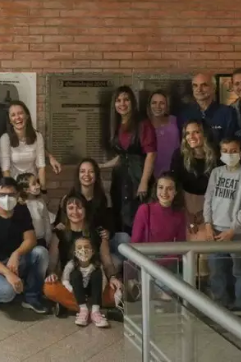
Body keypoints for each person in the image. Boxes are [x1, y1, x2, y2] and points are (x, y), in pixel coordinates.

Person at [0, 177, 49, 314]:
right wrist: (8, 273)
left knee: (41, 253)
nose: (7, 198)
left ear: (17, 195)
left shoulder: (21, 210)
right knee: (7, 293)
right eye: (3, 195)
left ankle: (31, 298)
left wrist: (17, 254)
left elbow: (31, 239)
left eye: (11, 194)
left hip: (13, 261)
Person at [44, 193, 121, 322]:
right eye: (71, 208)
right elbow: (52, 263)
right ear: (65, 211)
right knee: (49, 288)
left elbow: (107, 262)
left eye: (79, 207)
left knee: (118, 292)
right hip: (72, 284)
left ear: (86, 209)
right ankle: (95, 310)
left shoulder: (98, 232)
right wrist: (52, 274)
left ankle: (74, 308)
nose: (75, 211)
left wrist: (113, 277)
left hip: (96, 282)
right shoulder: (59, 234)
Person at [203, 137, 241, 311]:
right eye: (225, 150)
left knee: (240, 272)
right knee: (217, 270)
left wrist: (233, 230)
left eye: (233, 151)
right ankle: (220, 306)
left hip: (236, 232)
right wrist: (208, 224)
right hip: (215, 230)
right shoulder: (216, 173)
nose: (229, 154)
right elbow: (208, 200)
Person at [101, 86, 156, 237]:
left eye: (126, 100)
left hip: (137, 177)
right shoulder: (117, 125)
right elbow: (123, 156)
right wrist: (101, 166)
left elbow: (151, 154)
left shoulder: (143, 124)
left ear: (132, 102)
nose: (122, 103)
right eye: (118, 100)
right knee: (121, 214)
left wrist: (144, 182)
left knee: (137, 216)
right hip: (120, 178)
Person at [170, 121, 217, 235]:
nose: (191, 137)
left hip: (213, 207)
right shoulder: (179, 155)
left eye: (196, 132)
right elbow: (175, 185)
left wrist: (205, 213)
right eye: (187, 133)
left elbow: (219, 188)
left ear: (205, 134)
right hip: (185, 205)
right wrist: (186, 214)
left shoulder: (217, 155)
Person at [61, 237, 110, 327]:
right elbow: (65, 280)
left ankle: (95, 311)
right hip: (77, 290)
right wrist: (73, 291)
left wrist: (98, 294)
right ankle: (83, 310)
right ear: (74, 252)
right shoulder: (71, 265)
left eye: (87, 247)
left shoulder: (97, 265)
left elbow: (103, 281)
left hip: (92, 290)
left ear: (93, 251)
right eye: (79, 248)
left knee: (97, 273)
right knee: (75, 274)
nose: (83, 250)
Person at [178, 73, 237, 144]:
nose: (199, 89)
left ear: (214, 88)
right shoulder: (185, 114)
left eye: (204, 85)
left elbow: (231, 143)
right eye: (195, 86)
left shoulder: (228, 113)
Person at [0, 100, 46, 187]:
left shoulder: (38, 136)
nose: (17, 117)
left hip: (33, 186)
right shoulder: (5, 138)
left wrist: (43, 190)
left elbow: (41, 166)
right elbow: (5, 169)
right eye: (13, 115)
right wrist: (12, 192)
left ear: (27, 116)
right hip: (14, 186)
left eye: (20, 113)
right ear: (9, 120)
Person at [148, 90, 180, 182]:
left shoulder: (175, 121)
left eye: (162, 103)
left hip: (175, 174)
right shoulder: (144, 125)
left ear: (167, 106)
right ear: (149, 105)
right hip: (151, 176)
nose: (157, 106)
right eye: (154, 103)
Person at [17, 172, 52, 247]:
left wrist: (48, 238)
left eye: (37, 182)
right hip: (25, 242)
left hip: (41, 240)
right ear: (25, 189)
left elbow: (46, 220)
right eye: (34, 184)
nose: (38, 185)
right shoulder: (21, 204)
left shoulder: (41, 202)